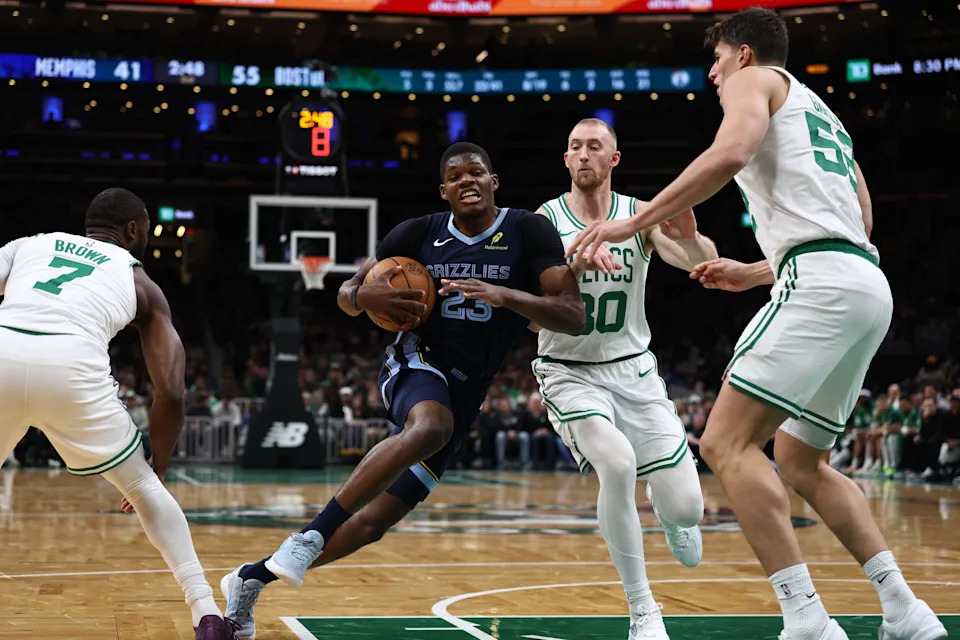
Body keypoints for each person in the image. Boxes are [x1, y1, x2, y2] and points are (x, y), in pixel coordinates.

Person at [565, 8, 945, 640]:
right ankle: (905, 609)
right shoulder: (826, 113)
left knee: (725, 444)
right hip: (864, 286)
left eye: (715, 60)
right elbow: (861, 223)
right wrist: (752, 271)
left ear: (742, 53)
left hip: (819, 284)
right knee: (801, 461)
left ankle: (805, 617)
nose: (712, 74)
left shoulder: (756, 77)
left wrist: (632, 222)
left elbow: (730, 150)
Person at [221, 142, 585, 638]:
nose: (467, 181)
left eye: (477, 172)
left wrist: (507, 296)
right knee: (431, 425)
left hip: (467, 393)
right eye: (456, 177)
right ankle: (308, 537)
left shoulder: (527, 230)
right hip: (417, 362)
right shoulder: (418, 234)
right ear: (444, 191)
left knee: (373, 525)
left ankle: (250, 579)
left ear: (494, 181)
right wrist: (361, 294)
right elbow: (347, 294)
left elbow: (573, 315)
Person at [0, 188, 237, 640]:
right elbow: (170, 390)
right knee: (144, 488)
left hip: (3, 348)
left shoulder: (29, 244)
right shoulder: (140, 281)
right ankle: (205, 613)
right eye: (147, 229)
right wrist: (158, 466)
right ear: (132, 230)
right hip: (71, 365)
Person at [532, 118, 713, 639]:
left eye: (594, 146)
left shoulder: (639, 214)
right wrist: (574, 270)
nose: (583, 153)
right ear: (566, 160)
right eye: (574, 147)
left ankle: (672, 511)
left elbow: (700, 264)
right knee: (617, 463)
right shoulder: (545, 222)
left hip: (633, 369)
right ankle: (643, 611)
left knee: (689, 506)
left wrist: (694, 238)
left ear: (614, 159)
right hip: (569, 372)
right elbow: (530, 313)